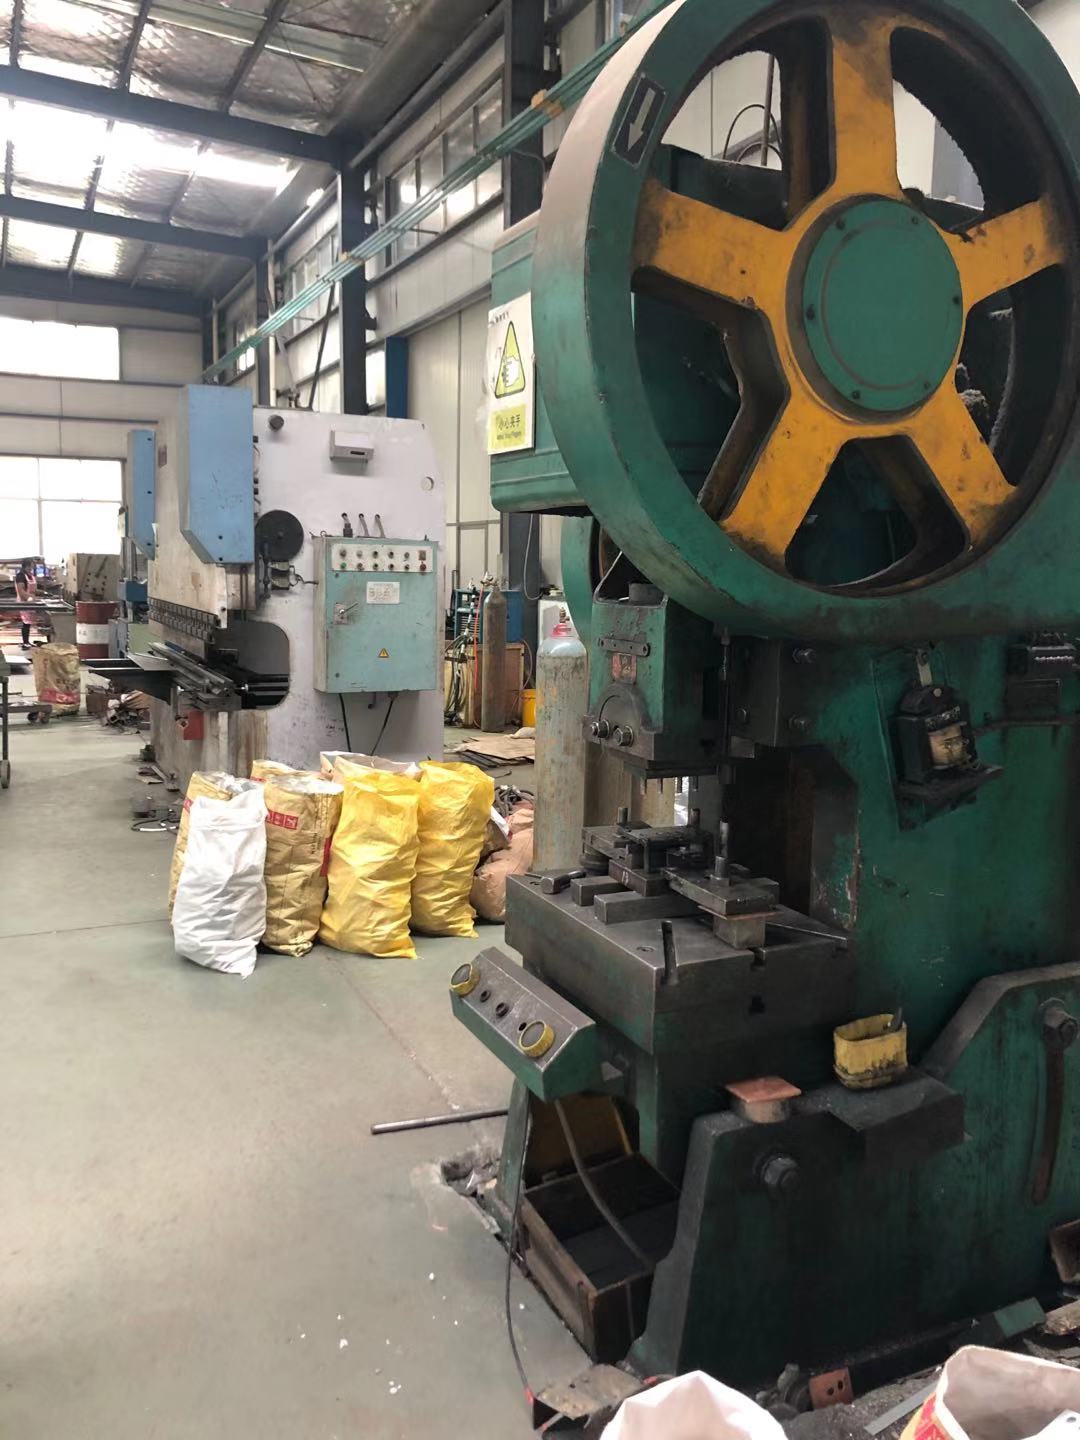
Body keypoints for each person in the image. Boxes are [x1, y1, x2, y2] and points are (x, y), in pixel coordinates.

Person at [13, 558, 37, 649]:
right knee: (26, 622)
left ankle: (27, 641)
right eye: (32, 564)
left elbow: (33, 589)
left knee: (29, 622)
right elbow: (21, 591)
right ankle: (25, 642)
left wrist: (43, 593)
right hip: (24, 601)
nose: (33, 567)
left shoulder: (30, 575)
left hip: (31, 601)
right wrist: (29, 598)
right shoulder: (20, 576)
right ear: (27, 565)